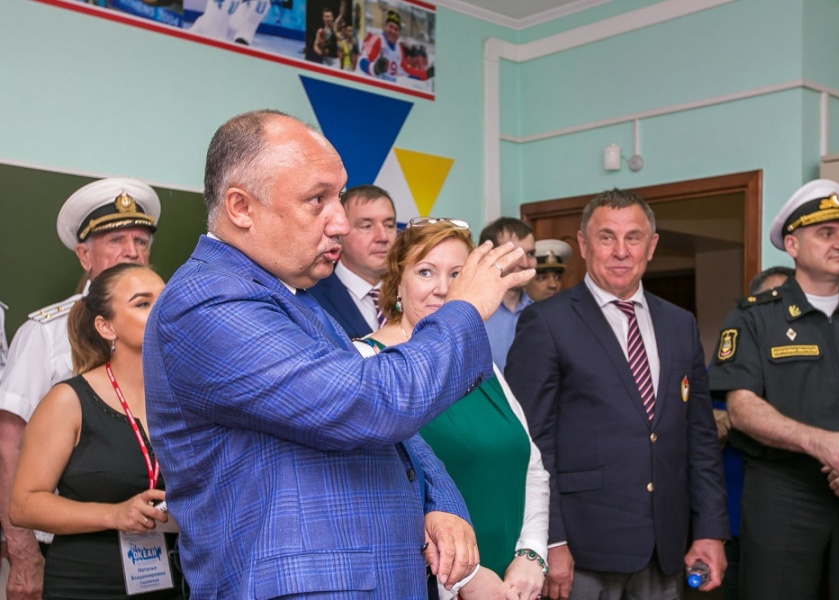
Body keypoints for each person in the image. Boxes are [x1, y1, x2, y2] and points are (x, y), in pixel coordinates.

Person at [141, 109, 534, 598]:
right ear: (241, 207)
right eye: (317, 200)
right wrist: (465, 309)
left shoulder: (294, 299)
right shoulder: (207, 301)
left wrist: (441, 501)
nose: (342, 223)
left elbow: (395, 432)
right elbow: (370, 404)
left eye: (339, 198)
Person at [506, 189, 729, 600]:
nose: (621, 251)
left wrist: (710, 530)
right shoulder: (547, 322)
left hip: (665, 547)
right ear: (584, 244)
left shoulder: (679, 324)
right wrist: (549, 540)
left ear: (652, 246)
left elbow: (699, 437)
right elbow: (530, 442)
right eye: (607, 237)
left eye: (633, 237)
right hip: (580, 550)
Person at [708, 179, 839, 600]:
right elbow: (741, 408)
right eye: (826, 233)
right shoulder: (754, 318)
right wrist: (821, 443)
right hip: (784, 497)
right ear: (792, 246)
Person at [354, 218, 550, 600]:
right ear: (397, 282)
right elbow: (379, 493)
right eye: (426, 271)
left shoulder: (481, 363)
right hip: (435, 585)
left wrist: (531, 555)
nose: (444, 289)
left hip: (513, 585)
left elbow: (533, 466)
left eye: (457, 274)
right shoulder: (366, 362)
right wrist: (465, 579)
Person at [0, 178, 159, 600]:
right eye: (116, 240)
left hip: (157, 555)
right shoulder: (45, 332)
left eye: (141, 241)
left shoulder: (168, 337)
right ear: (85, 255)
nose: (131, 251)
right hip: (66, 550)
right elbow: (8, 445)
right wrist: (23, 553)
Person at [8, 264, 180, 599]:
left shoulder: (185, 399)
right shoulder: (68, 400)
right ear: (106, 326)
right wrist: (113, 514)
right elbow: (23, 505)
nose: (162, 310)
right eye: (143, 303)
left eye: (166, 299)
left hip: (175, 580)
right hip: (87, 585)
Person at [711, 266, 792, 600]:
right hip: (736, 518)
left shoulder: (810, 359)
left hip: (797, 520)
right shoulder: (732, 355)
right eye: (770, 301)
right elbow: (697, 422)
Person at [308, 185, 397, 338]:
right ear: (340, 234)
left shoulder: (414, 290)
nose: (382, 237)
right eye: (366, 226)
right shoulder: (311, 298)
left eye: (389, 225)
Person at [479, 217, 537, 372]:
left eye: (530, 254)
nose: (525, 264)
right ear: (488, 257)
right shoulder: (473, 315)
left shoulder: (540, 313)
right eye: (514, 255)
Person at [358, 9, 431, 82]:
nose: (393, 31)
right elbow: (362, 60)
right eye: (391, 27)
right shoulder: (378, 39)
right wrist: (374, 68)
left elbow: (405, 70)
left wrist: (426, 75)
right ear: (385, 26)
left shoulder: (398, 48)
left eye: (396, 29)